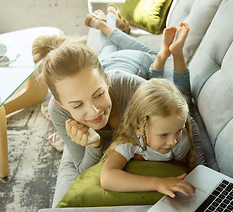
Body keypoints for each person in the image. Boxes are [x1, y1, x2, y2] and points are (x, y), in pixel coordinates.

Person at [32, 4, 203, 176]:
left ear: (106, 82)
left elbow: (186, 119)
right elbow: (82, 170)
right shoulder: (59, 110)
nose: (94, 111)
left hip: (134, 62)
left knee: (158, 64)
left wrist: (200, 173)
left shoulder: (129, 87)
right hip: (105, 63)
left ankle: (104, 25)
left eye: (98, 95)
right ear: (59, 103)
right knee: (108, 49)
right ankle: (110, 17)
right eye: (77, 105)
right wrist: (94, 144)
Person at [100, 78, 196, 198]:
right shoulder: (130, 141)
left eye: (178, 131)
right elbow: (107, 178)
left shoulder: (181, 140)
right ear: (139, 129)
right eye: (163, 135)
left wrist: (140, 158)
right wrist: (157, 183)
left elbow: (179, 166)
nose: (173, 142)